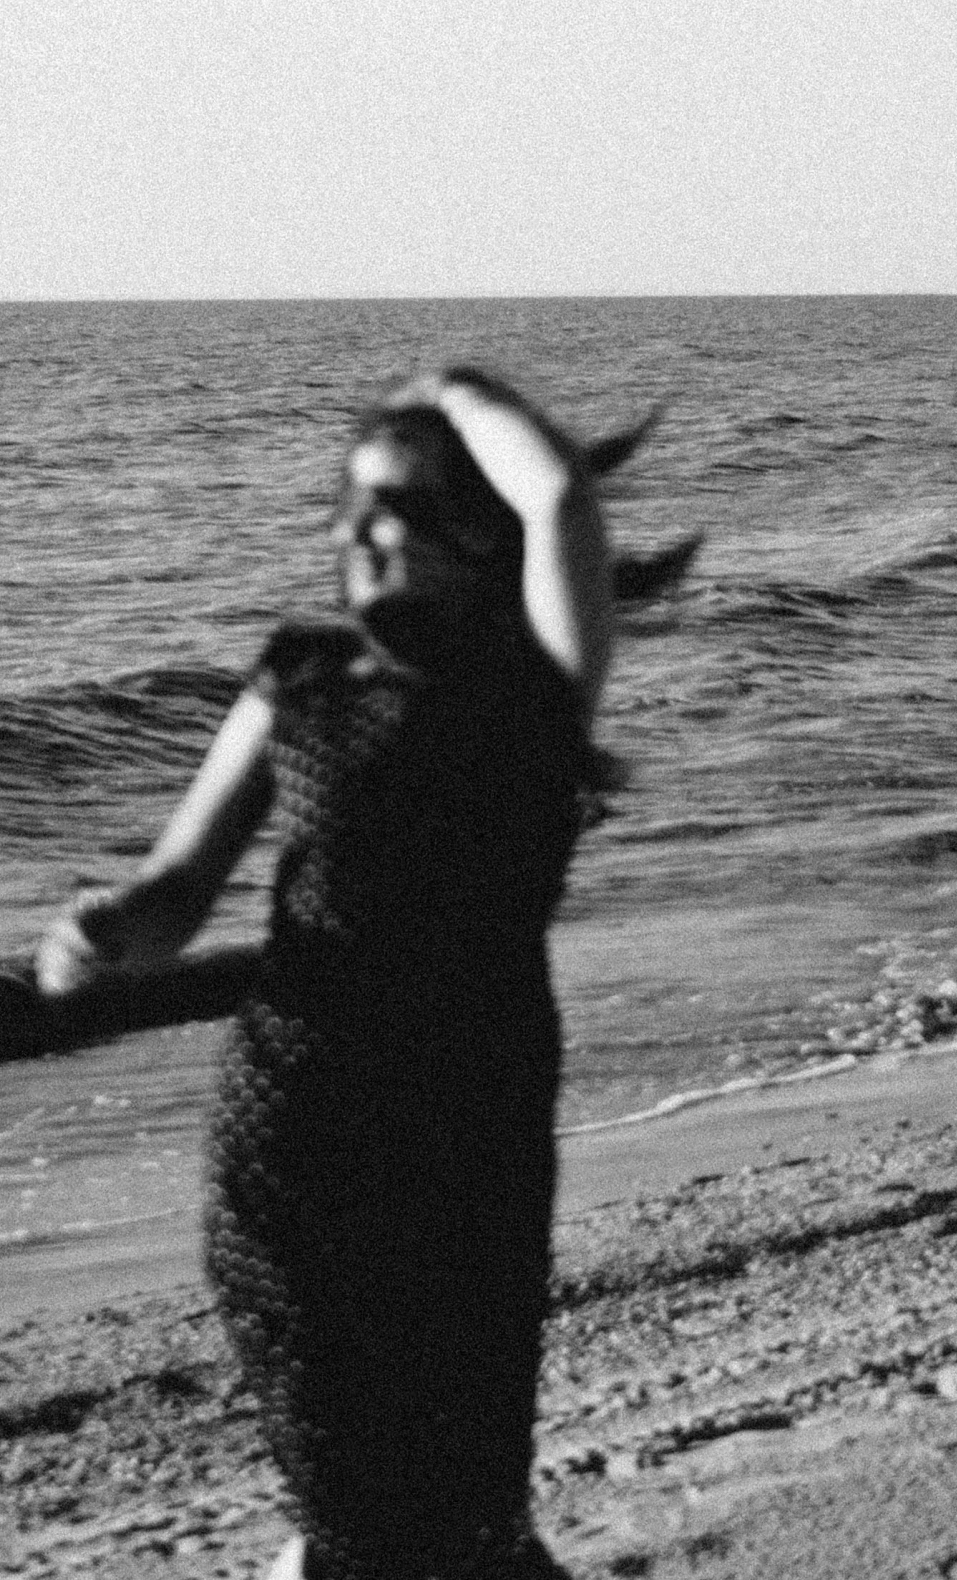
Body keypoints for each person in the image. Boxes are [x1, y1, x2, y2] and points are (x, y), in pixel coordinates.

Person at [36, 368, 612, 1579]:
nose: (353, 528)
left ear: (472, 530)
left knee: (467, 1490)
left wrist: (458, 391)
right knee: (352, 1486)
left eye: (390, 503)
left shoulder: (537, 687)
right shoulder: (297, 675)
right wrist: (105, 929)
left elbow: (558, 493)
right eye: (344, 500)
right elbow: (177, 888)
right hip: (303, 1107)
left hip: (474, 1113)